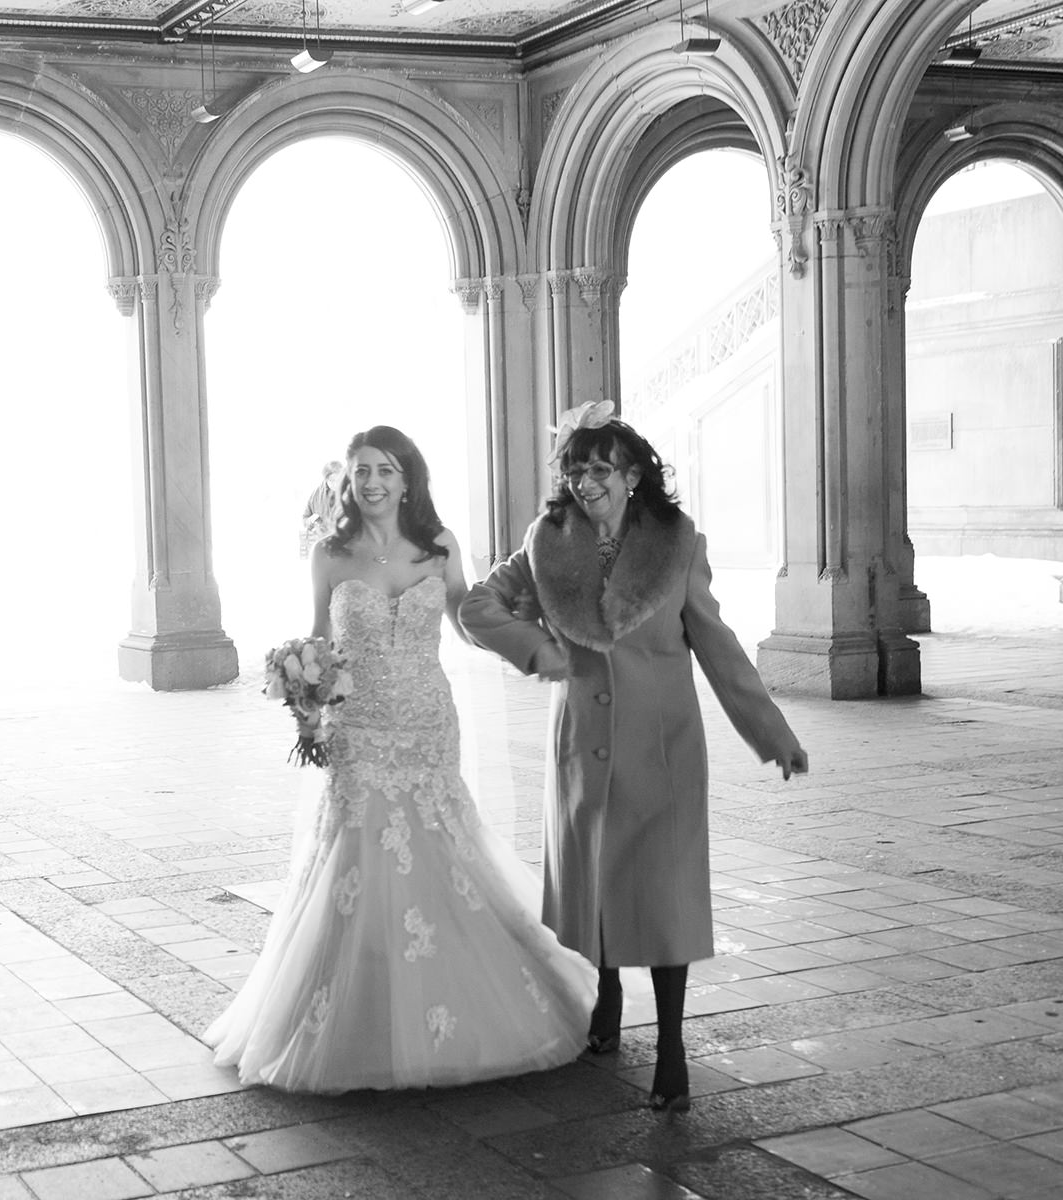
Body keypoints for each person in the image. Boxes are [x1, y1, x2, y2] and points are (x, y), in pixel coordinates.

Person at [206, 425, 596, 1093]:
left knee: (443, 848)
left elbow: (469, 622)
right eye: (361, 471)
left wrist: (538, 639)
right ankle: (356, 1017)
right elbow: (320, 639)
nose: (372, 482)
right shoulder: (330, 554)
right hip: (357, 728)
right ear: (347, 480)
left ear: (408, 478)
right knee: (357, 859)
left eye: (385, 469)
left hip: (427, 721)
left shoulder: (439, 546)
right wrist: (305, 694)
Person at [459, 401, 808, 1113]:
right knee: (596, 888)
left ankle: (672, 1047)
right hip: (582, 749)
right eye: (575, 471)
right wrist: (540, 650)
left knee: (665, 897)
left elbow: (717, 646)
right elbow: (477, 608)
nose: (586, 484)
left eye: (600, 470)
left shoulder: (678, 545)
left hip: (663, 749)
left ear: (633, 475)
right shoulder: (546, 543)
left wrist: (774, 735)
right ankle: (607, 998)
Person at [298, 460, 344, 557]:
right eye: (332, 480)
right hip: (323, 545)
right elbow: (305, 520)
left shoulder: (350, 492)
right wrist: (312, 520)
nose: (335, 484)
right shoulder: (316, 495)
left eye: (338, 480)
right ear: (326, 479)